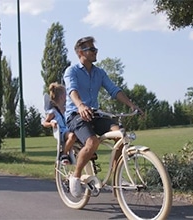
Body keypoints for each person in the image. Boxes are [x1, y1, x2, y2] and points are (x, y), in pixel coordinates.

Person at [63, 36, 143, 197]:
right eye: (91, 49)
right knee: (92, 142)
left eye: (95, 49)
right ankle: (76, 176)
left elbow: (114, 90)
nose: (95, 52)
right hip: (76, 114)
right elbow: (72, 91)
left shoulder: (99, 72)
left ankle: (117, 179)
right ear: (80, 52)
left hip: (95, 114)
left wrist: (131, 105)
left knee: (120, 134)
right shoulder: (72, 71)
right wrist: (80, 105)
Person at [42, 82, 77, 165]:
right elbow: (44, 122)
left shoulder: (66, 110)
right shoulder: (53, 112)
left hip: (67, 130)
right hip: (62, 132)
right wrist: (51, 124)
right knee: (72, 136)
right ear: (62, 97)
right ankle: (64, 153)